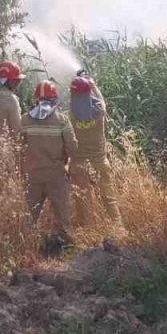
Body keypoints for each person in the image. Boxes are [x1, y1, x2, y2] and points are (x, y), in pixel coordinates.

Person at [23, 80, 78, 250]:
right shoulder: (61, 121)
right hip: (56, 175)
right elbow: (73, 147)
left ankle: (27, 247)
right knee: (62, 216)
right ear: (54, 100)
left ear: (36, 99)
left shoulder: (25, 120)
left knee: (30, 216)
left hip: (33, 175)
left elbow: (17, 146)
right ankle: (66, 249)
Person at [68, 72, 122, 227]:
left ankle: (87, 231)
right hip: (99, 161)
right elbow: (101, 100)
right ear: (88, 92)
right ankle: (118, 228)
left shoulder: (70, 115)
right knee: (109, 198)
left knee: (83, 201)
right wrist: (93, 86)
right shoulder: (99, 111)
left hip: (79, 164)